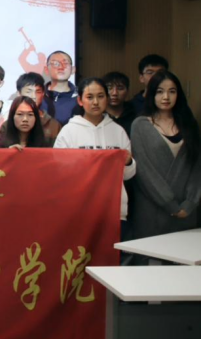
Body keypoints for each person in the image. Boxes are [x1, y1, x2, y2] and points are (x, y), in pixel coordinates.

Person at [54, 78, 137, 239]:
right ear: (80, 100)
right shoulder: (68, 131)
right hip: (79, 209)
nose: (95, 102)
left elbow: (128, 175)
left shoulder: (118, 131)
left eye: (100, 96)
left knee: (112, 253)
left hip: (114, 209)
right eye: (90, 97)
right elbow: (59, 172)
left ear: (107, 98)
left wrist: (128, 162)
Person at [130, 71, 201, 248]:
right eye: (160, 91)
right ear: (151, 94)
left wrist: (190, 202)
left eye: (172, 91)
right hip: (152, 207)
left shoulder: (189, 123)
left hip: (187, 209)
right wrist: (170, 204)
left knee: (184, 257)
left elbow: (197, 167)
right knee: (151, 256)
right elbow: (144, 171)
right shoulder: (140, 125)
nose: (166, 97)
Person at [0, 73, 62, 146]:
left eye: (38, 92)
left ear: (43, 94)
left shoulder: (54, 126)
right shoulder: (7, 126)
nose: (33, 96)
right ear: (19, 94)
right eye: (28, 92)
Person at [44, 50, 78, 126]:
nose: (61, 67)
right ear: (46, 70)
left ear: (73, 69)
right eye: (56, 64)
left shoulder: (81, 97)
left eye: (65, 63)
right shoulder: (38, 96)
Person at [103, 71, 136, 137]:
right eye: (109, 88)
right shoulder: (97, 115)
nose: (114, 93)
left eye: (120, 88)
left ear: (127, 91)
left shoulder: (135, 114)